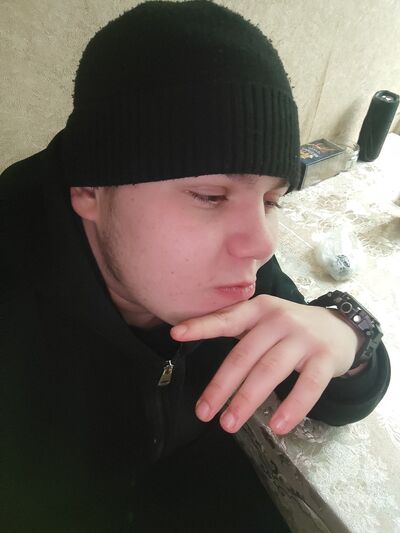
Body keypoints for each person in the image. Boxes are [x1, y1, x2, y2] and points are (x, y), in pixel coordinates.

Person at [1, 2, 390, 532]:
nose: (258, 244)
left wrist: (349, 335)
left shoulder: (231, 266)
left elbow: (329, 390)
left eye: (272, 200)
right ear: (90, 188)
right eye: (210, 196)